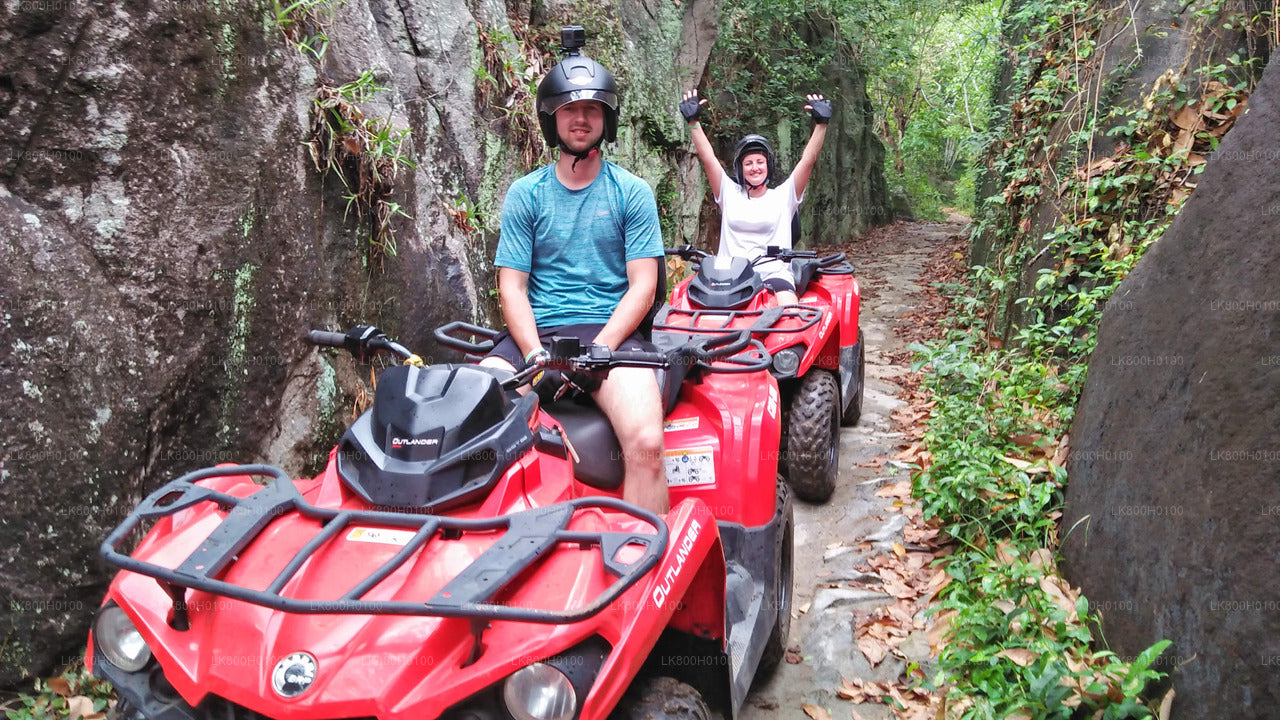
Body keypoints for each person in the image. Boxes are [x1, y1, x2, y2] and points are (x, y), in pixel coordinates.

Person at [480, 27, 669, 514]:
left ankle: (643, 571)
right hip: (537, 331)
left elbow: (643, 285)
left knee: (646, 443)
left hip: (612, 332)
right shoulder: (527, 194)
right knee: (470, 417)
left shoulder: (632, 192)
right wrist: (536, 355)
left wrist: (602, 349)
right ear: (552, 119)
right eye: (570, 109)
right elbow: (513, 287)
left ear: (606, 118)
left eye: (591, 110)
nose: (580, 119)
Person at [679, 89, 831, 305]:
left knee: (790, 312)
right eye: (748, 163)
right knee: (685, 309)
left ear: (768, 166)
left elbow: (807, 161)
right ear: (741, 169)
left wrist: (821, 125)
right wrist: (694, 123)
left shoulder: (784, 196)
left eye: (760, 162)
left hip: (773, 276)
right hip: (727, 278)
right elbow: (708, 158)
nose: (755, 168)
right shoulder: (729, 193)